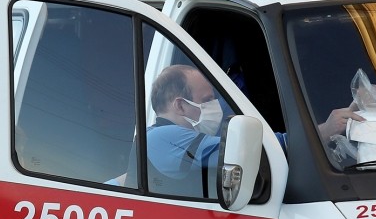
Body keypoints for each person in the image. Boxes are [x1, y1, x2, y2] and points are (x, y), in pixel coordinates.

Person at [145, 65, 360, 193]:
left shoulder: (176, 142)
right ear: (180, 105)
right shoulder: (159, 138)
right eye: (207, 100)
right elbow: (248, 148)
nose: (215, 107)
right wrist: (323, 131)